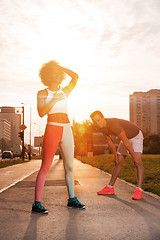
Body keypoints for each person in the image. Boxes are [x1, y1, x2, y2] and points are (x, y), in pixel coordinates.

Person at [32, 60, 85, 214]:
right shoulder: (42, 93)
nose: (56, 75)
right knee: (45, 167)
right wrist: (54, 98)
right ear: (46, 75)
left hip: (67, 128)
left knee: (69, 166)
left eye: (58, 73)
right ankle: (37, 203)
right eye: (52, 72)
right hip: (52, 128)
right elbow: (41, 112)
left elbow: (75, 76)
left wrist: (59, 67)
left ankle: (72, 199)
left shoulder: (65, 91)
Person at [90, 110, 144, 200]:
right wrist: (115, 155)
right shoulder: (101, 127)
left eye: (99, 120)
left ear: (103, 117)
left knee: (138, 162)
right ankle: (110, 188)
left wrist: (134, 157)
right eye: (95, 122)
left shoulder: (113, 125)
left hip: (136, 137)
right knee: (118, 162)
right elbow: (109, 140)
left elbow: (126, 141)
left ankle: (139, 190)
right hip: (125, 139)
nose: (98, 123)